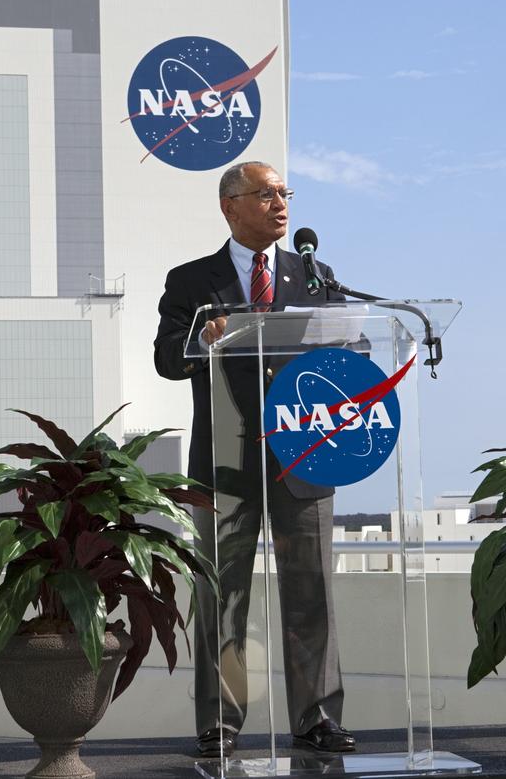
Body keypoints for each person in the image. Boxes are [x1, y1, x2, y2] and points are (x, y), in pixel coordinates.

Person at [154, 161, 355, 758]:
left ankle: (317, 719)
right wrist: (204, 339)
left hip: (305, 455)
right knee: (224, 597)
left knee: (311, 592)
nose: (280, 204)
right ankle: (220, 724)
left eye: (284, 194)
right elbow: (167, 357)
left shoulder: (313, 275)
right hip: (226, 463)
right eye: (266, 195)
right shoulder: (192, 280)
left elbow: (351, 345)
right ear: (230, 206)